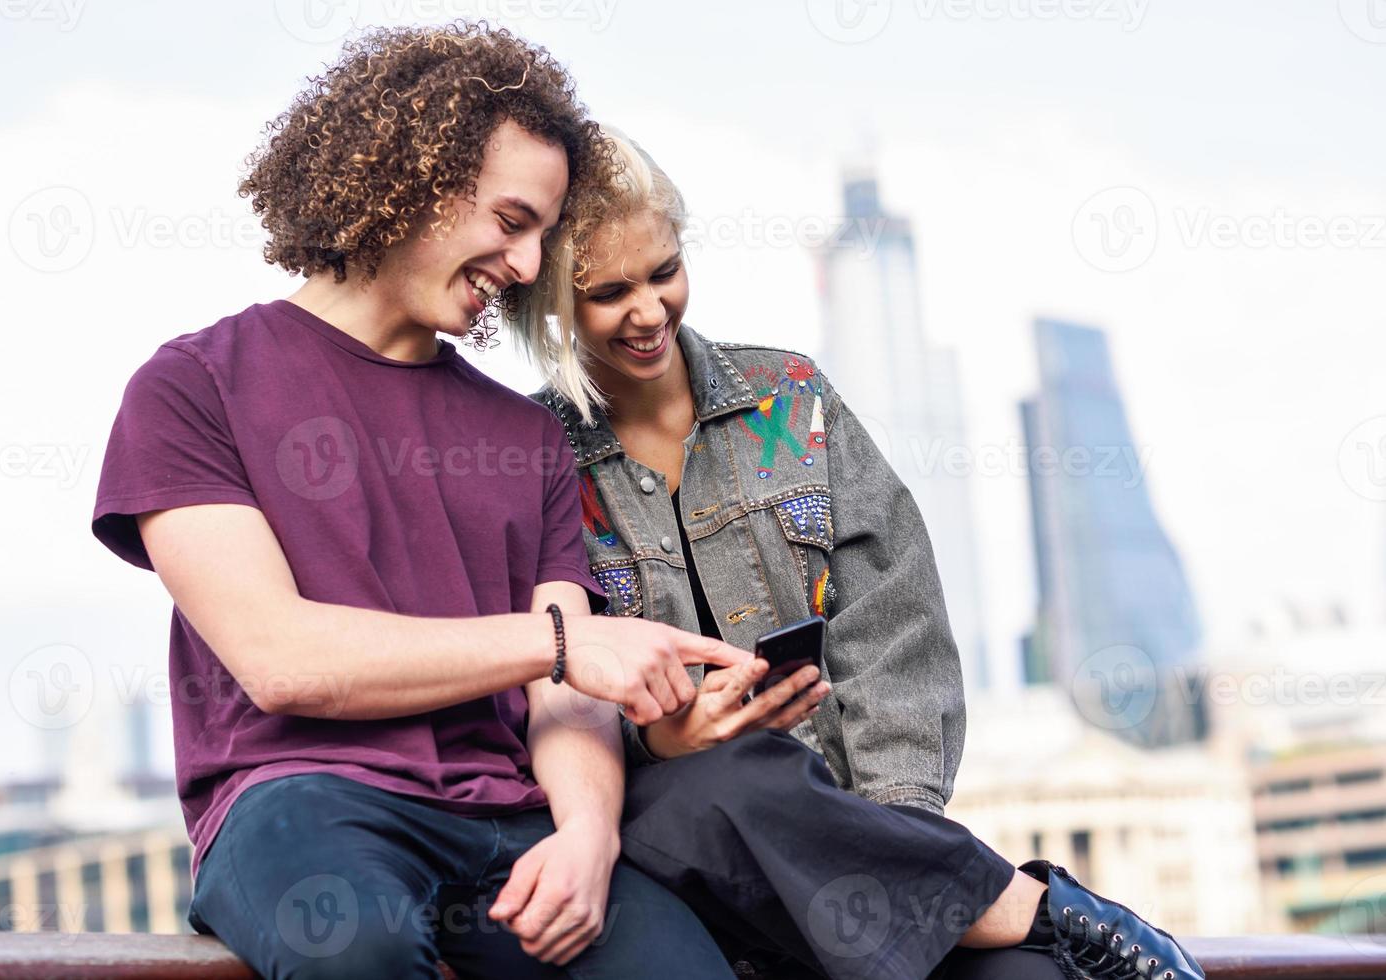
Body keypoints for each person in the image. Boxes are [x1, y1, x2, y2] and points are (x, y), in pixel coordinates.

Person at [90, 27, 755, 979]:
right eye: (511, 220)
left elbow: (566, 693)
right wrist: (563, 642)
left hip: (511, 820)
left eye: (543, 238)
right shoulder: (193, 385)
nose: (528, 269)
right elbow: (282, 662)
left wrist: (588, 837)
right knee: (353, 948)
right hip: (299, 800)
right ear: (413, 177)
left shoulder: (528, 437)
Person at [512, 128, 1206, 980]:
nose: (649, 310)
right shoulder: (528, 453)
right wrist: (663, 741)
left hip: (851, 843)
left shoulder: (791, 398)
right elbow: (538, 684)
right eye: (609, 292)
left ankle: (1007, 925)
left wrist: (894, 832)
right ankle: (1043, 907)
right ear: (549, 302)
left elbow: (896, 629)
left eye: (664, 272)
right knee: (732, 772)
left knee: (1036, 978)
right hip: (665, 835)